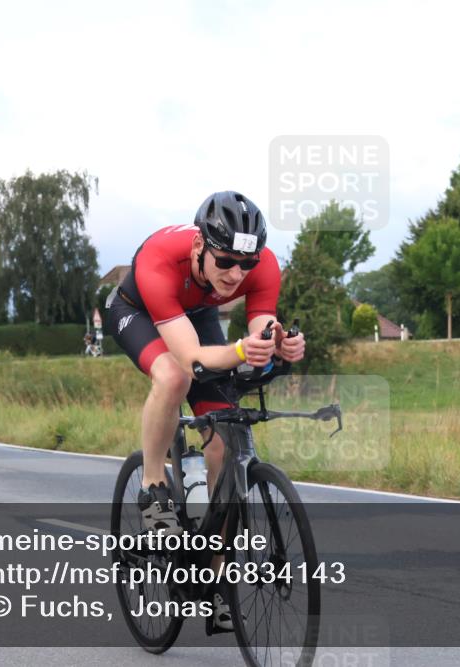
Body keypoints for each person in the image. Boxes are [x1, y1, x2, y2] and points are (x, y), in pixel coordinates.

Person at [105, 191, 305, 629]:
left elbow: (259, 328)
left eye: (245, 264)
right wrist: (240, 350)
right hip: (138, 309)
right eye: (226, 261)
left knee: (225, 443)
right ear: (200, 247)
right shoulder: (163, 260)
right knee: (175, 378)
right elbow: (192, 357)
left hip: (195, 311)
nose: (237, 274)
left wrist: (277, 344)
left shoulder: (262, 265)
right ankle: (155, 484)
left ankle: (215, 578)